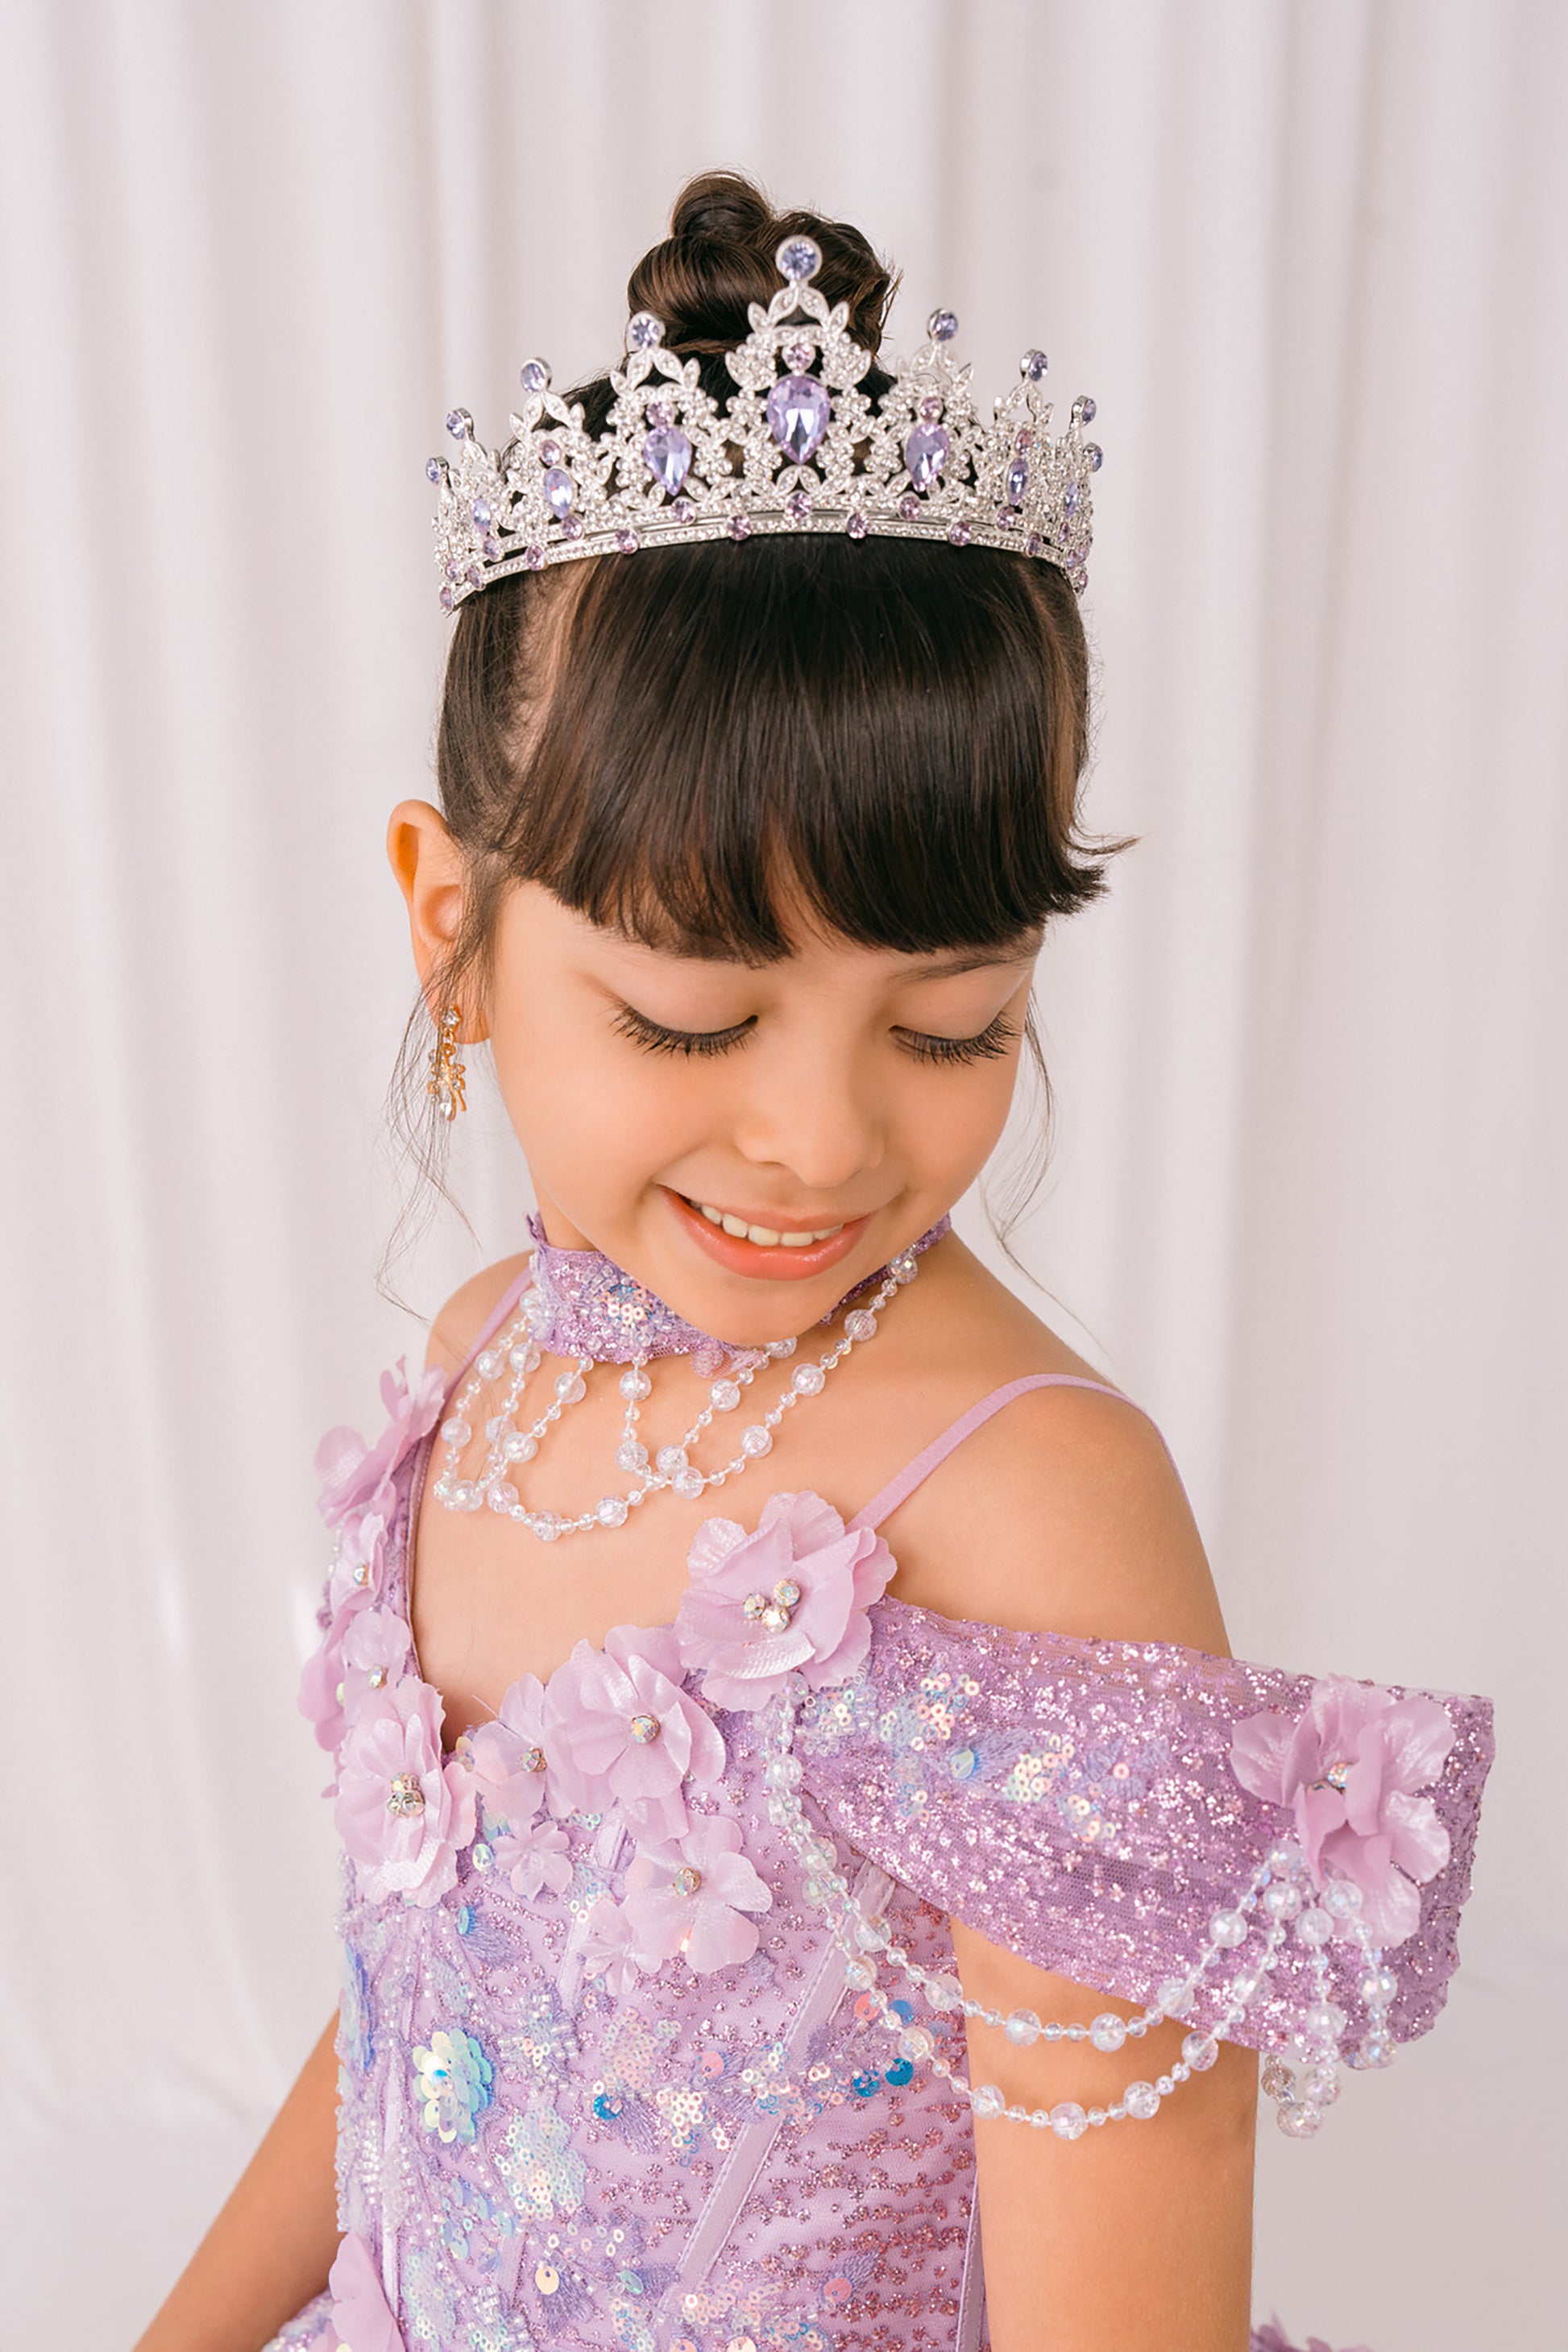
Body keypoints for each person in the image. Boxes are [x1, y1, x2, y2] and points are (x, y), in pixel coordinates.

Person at [135, 174, 1491, 2352]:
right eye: (690, 1015)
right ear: (449, 925)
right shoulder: (498, 1357)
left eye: (951, 1019)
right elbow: (413, 2036)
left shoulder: (1028, 1512)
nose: (823, 1137)